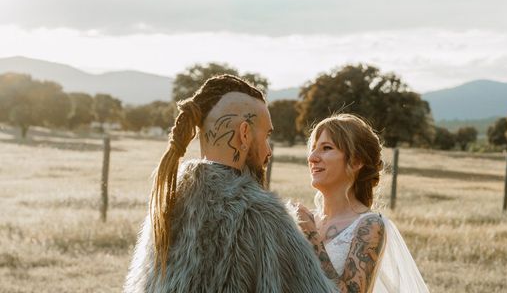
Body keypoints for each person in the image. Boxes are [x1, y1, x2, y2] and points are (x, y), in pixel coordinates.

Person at [124, 74, 336, 293]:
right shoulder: (260, 213)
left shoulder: (168, 199)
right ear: (244, 134)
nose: (268, 150)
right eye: (266, 137)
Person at [297, 113, 430, 293]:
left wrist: (312, 238)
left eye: (326, 148)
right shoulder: (305, 220)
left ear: (356, 161)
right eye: (313, 148)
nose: (312, 157)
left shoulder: (369, 225)